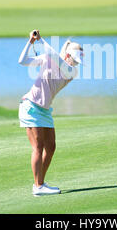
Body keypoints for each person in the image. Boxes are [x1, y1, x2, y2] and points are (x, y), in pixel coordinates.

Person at [18, 30, 84, 197]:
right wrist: (31, 42)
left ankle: (40, 183)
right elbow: (22, 61)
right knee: (38, 148)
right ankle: (38, 187)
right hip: (31, 106)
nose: (76, 64)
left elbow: (54, 55)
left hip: (45, 110)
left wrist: (41, 40)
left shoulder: (71, 72)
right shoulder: (50, 59)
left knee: (51, 147)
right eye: (75, 60)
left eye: (78, 62)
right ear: (68, 55)